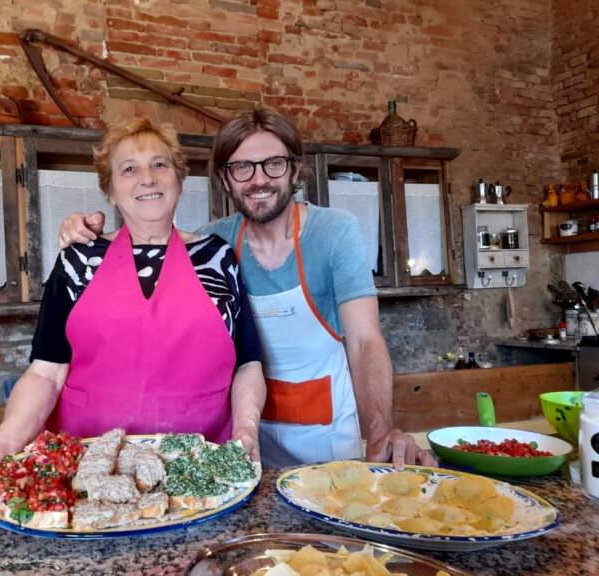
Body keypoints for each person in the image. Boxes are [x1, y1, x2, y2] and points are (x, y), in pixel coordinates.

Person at [57, 109, 436, 469]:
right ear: (225, 179)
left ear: (295, 170)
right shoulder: (212, 244)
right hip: (238, 441)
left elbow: (365, 342)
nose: (259, 180)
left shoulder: (334, 232)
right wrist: (87, 232)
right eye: (242, 167)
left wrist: (379, 435)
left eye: (273, 164)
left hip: (325, 441)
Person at [0, 118, 265, 486]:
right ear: (109, 190)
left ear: (179, 179)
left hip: (200, 468)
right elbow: (46, 371)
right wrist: (5, 443)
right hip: (90, 472)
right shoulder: (78, 261)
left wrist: (247, 430)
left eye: (160, 164)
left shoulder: (216, 258)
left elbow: (247, 363)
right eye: (128, 169)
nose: (148, 178)